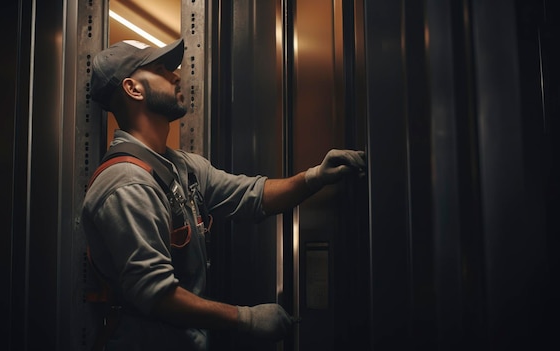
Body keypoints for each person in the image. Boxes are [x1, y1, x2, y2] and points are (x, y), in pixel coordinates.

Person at [82, 38, 366, 351]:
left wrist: (314, 177)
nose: (177, 76)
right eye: (161, 70)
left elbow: (253, 194)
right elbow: (156, 295)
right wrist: (246, 319)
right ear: (133, 89)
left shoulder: (182, 166)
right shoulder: (127, 183)